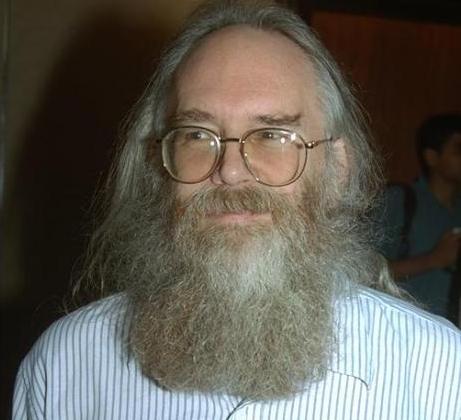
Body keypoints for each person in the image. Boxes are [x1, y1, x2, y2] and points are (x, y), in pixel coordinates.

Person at [13, 1, 461, 419]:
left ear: (337, 168)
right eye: (196, 135)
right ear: (157, 164)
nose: (229, 172)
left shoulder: (441, 373)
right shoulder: (64, 365)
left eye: (273, 135)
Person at [381, 114, 461, 322]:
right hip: (402, 334)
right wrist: (432, 259)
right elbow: (367, 272)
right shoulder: (401, 201)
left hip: (452, 340)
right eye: (458, 149)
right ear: (432, 157)